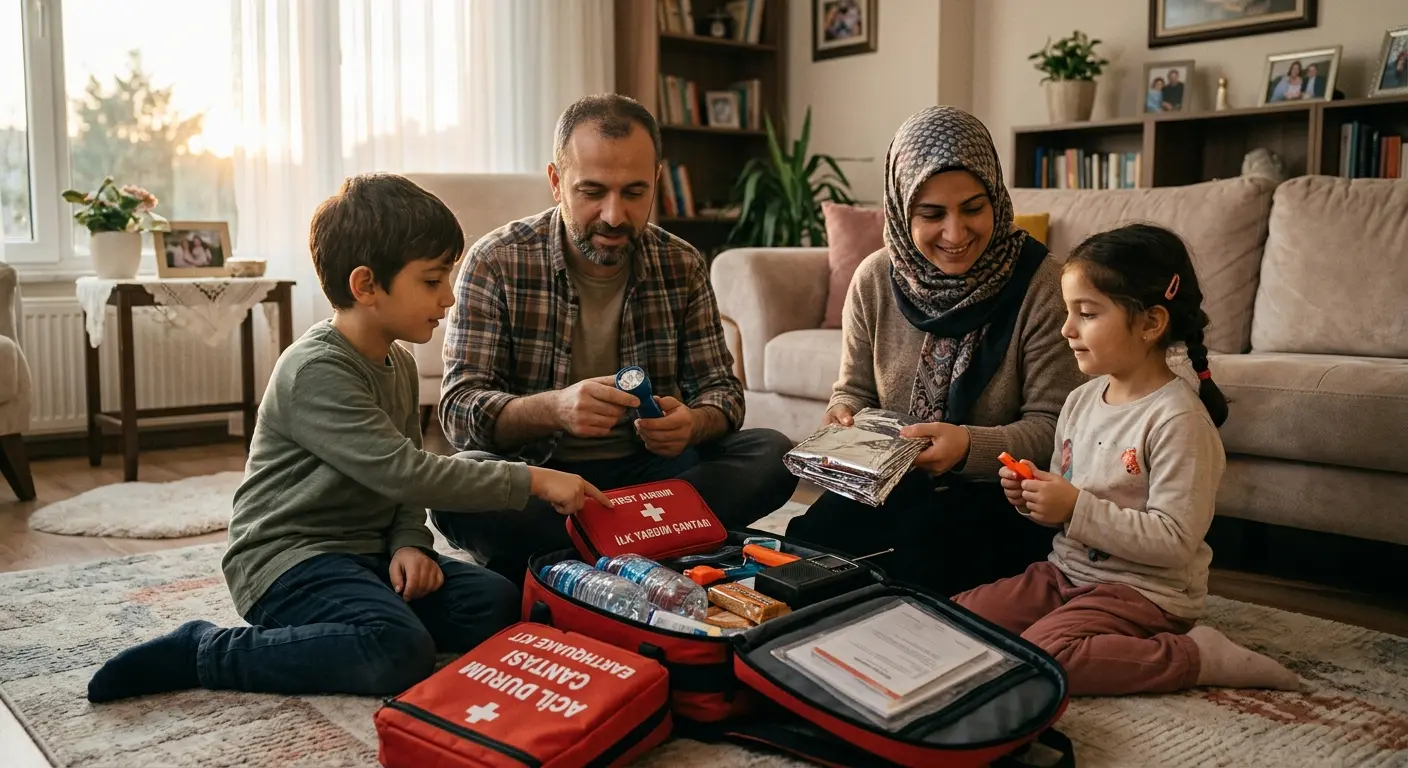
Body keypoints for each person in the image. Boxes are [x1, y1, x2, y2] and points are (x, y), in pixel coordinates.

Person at [86, 174, 609, 703]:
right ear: (366, 286)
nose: (448, 297)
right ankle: (203, 650)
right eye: (432, 281)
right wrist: (532, 479)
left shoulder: (399, 363)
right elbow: (406, 473)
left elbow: (405, 472)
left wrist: (409, 542)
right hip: (289, 560)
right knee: (396, 652)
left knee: (494, 601)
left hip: (368, 553)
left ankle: (358, 624)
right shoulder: (316, 370)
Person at [431, 93, 797, 587]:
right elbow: (459, 413)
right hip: (546, 480)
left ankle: (575, 555)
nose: (613, 215)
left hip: (655, 480)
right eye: (592, 191)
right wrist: (555, 409)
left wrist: (692, 424)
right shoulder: (496, 260)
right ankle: (657, 545)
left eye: (633, 192)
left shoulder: (681, 263)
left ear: (657, 183)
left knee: (772, 453)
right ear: (556, 182)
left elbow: (724, 394)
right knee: (458, 482)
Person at [953, 223, 1302, 696]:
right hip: (1064, 575)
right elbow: (1068, 497)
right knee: (950, 620)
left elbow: (1176, 541)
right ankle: (1058, 627)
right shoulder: (1079, 401)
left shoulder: (1179, 421)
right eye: (1068, 312)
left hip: (1143, 593)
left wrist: (1074, 508)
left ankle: (1197, 656)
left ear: (1151, 323)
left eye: (1087, 314)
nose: (1066, 329)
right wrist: (1031, 493)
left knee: (1045, 662)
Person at [784, 106, 1086, 595]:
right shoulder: (874, 280)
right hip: (889, 486)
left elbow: (1058, 429)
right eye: (931, 214)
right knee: (806, 551)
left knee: (918, 568)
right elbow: (854, 390)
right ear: (902, 210)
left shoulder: (1044, 285)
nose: (955, 233)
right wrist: (842, 416)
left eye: (973, 208)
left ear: (996, 198)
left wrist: (968, 447)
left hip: (998, 495)